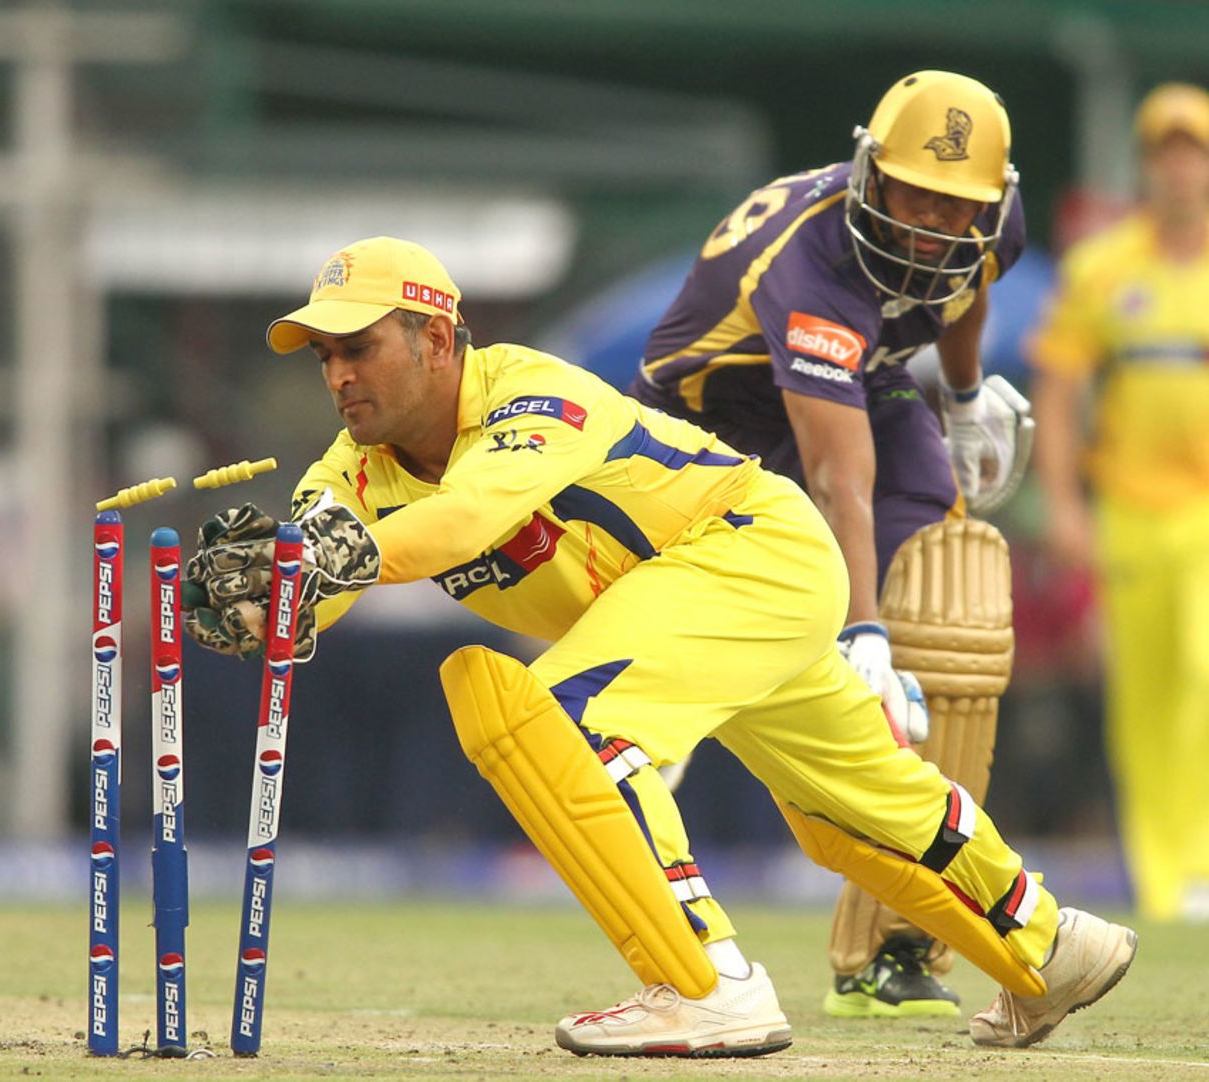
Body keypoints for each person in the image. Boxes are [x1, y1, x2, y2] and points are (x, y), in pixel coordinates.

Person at [182, 235, 1134, 1057]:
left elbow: (467, 518)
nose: (339, 374)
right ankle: (1054, 949)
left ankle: (707, 982)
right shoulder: (348, 469)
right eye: (323, 357)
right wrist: (267, 604)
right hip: (685, 609)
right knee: (848, 810)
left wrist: (340, 560)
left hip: (751, 551)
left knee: (569, 721)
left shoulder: (533, 394)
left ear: (435, 338)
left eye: (359, 347)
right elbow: (321, 584)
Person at [630, 70, 1034, 1016]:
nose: (935, 220)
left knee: (950, 606)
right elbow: (836, 474)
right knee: (831, 644)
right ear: (869, 173)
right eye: (915, 193)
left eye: (959, 203)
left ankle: (892, 950)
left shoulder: (988, 228)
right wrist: (863, 631)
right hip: (711, 425)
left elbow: (964, 284)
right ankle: (658, 734)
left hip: (862, 383)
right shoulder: (813, 262)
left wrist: (966, 396)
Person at [1030, 82, 1209, 922]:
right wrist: (1063, 504)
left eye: (1195, 152)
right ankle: (1165, 882)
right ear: (1146, 165)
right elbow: (1059, 392)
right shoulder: (1104, 268)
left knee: (1203, 673)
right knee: (1142, 697)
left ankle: (1199, 861)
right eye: (1166, 153)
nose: (1181, 169)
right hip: (1132, 508)